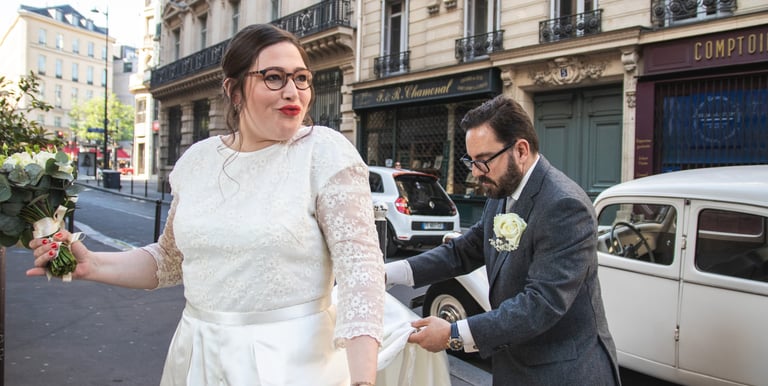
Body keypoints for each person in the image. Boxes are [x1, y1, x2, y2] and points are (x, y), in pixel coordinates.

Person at [27, 24, 393, 386]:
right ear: (234, 91)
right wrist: (92, 264)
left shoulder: (324, 151)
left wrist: (363, 381)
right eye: (274, 77)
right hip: (196, 355)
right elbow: (169, 260)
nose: (292, 92)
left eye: (301, 78)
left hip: (293, 364)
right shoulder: (197, 159)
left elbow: (360, 271)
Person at [385, 94, 622, 385]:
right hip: (514, 365)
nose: (474, 173)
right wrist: (390, 273)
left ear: (521, 150)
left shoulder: (565, 205)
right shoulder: (502, 190)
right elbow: (464, 251)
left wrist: (453, 333)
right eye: (470, 161)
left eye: (483, 161)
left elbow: (541, 304)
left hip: (562, 371)